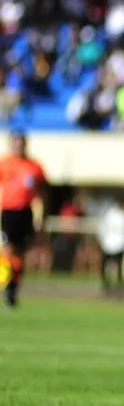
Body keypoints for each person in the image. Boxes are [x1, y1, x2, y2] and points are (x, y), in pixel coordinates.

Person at [0, 132, 47, 308]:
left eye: (21, 144)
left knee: (20, 254)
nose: (18, 147)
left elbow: (42, 193)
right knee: (8, 251)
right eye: (16, 144)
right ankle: (4, 284)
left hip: (25, 212)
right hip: (8, 211)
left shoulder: (34, 167)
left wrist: (41, 217)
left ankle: (13, 288)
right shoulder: (4, 164)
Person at [97, 196, 124, 299]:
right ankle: (106, 285)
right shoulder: (110, 214)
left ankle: (120, 288)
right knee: (104, 266)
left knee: (119, 268)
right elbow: (103, 227)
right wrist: (102, 240)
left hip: (120, 245)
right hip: (108, 244)